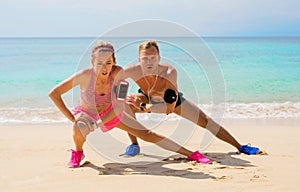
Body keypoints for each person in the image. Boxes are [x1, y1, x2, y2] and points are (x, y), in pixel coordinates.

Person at [48, 40, 212, 168]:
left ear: (114, 61)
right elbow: (54, 93)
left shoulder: (120, 74)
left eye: (108, 62)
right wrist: (72, 118)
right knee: (78, 128)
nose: (104, 68)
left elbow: (119, 106)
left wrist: (97, 124)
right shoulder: (84, 75)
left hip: (112, 112)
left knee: (148, 134)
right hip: (88, 113)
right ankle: (78, 153)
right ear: (92, 62)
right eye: (99, 63)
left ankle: (191, 154)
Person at [123, 40, 263, 156]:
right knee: (127, 105)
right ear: (139, 59)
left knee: (206, 121)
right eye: (145, 59)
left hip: (170, 102)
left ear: (159, 58)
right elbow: (117, 79)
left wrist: (143, 107)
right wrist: (120, 96)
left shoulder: (169, 72)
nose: (149, 62)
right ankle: (134, 145)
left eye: (153, 58)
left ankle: (240, 146)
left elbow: (169, 109)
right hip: (147, 96)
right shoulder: (132, 70)